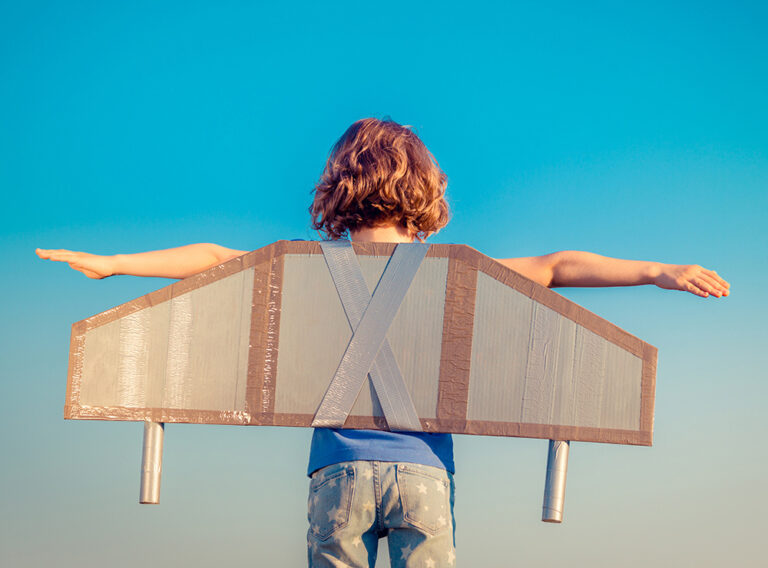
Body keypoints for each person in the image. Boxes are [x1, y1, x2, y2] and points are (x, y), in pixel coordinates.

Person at [36, 118, 729, 568]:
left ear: (339, 188)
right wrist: (657, 273)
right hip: (424, 473)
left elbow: (214, 256)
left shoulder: (303, 268)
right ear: (425, 191)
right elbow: (555, 266)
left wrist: (114, 262)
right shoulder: (456, 272)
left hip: (335, 474)